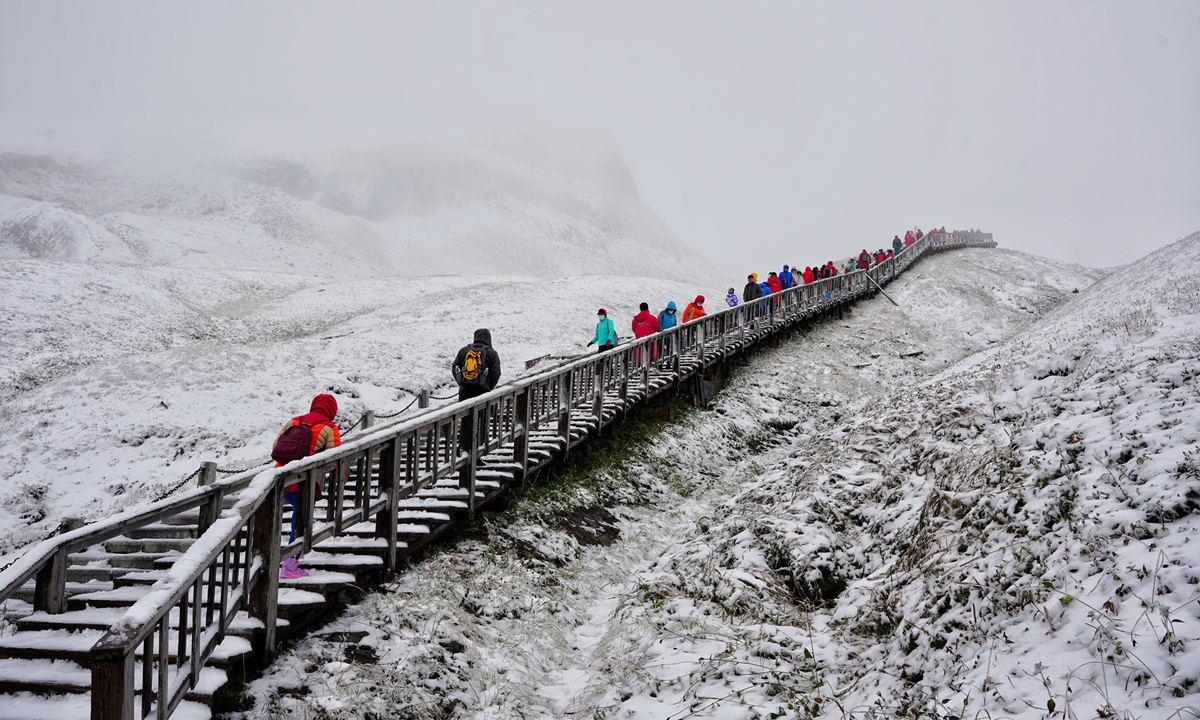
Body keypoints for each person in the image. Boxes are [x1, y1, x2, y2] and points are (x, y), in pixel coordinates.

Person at [272, 393, 342, 579]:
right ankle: (289, 564)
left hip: (281, 479)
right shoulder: (330, 428)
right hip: (303, 484)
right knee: (300, 522)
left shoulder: (295, 421)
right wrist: (341, 478)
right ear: (332, 411)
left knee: (298, 516)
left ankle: (297, 550)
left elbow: (275, 447)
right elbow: (336, 458)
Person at [453, 328, 502, 402]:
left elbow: (455, 367)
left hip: (464, 390)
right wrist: (489, 386)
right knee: (483, 413)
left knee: (464, 412)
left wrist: (461, 382)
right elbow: (496, 372)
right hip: (483, 390)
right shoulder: (492, 353)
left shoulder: (464, 350)